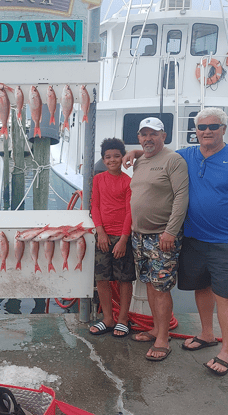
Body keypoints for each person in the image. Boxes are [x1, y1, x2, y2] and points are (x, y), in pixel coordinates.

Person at [176, 108, 228, 376]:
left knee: (225, 295)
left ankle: (227, 351)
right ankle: (207, 334)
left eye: (214, 126)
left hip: (227, 242)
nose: (207, 131)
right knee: (201, 287)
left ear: (224, 129)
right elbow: (159, 157)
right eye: (202, 127)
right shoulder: (186, 155)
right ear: (196, 131)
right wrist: (135, 154)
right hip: (193, 238)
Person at [129, 117, 188, 361]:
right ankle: (156, 328)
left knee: (161, 288)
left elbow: (181, 197)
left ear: (164, 135)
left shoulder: (173, 160)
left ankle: (163, 338)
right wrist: (131, 150)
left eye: (153, 134)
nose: (148, 139)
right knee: (150, 284)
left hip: (162, 236)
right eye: (143, 134)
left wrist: (170, 232)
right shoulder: (140, 160)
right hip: (139, 236)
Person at [89, 138, 135, 338]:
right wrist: (100, 231)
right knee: (102, 278)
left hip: (121, 236)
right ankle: (108, 318)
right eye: (108, 157)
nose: (112, 160)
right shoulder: (98, 180)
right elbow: (95, 206)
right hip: (103, 237)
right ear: (103, 159)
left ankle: (123, 319)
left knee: (124, 279)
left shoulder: (128, 182)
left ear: (122, 157)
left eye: (117, 156)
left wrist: (124, 239)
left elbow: (129, 212)